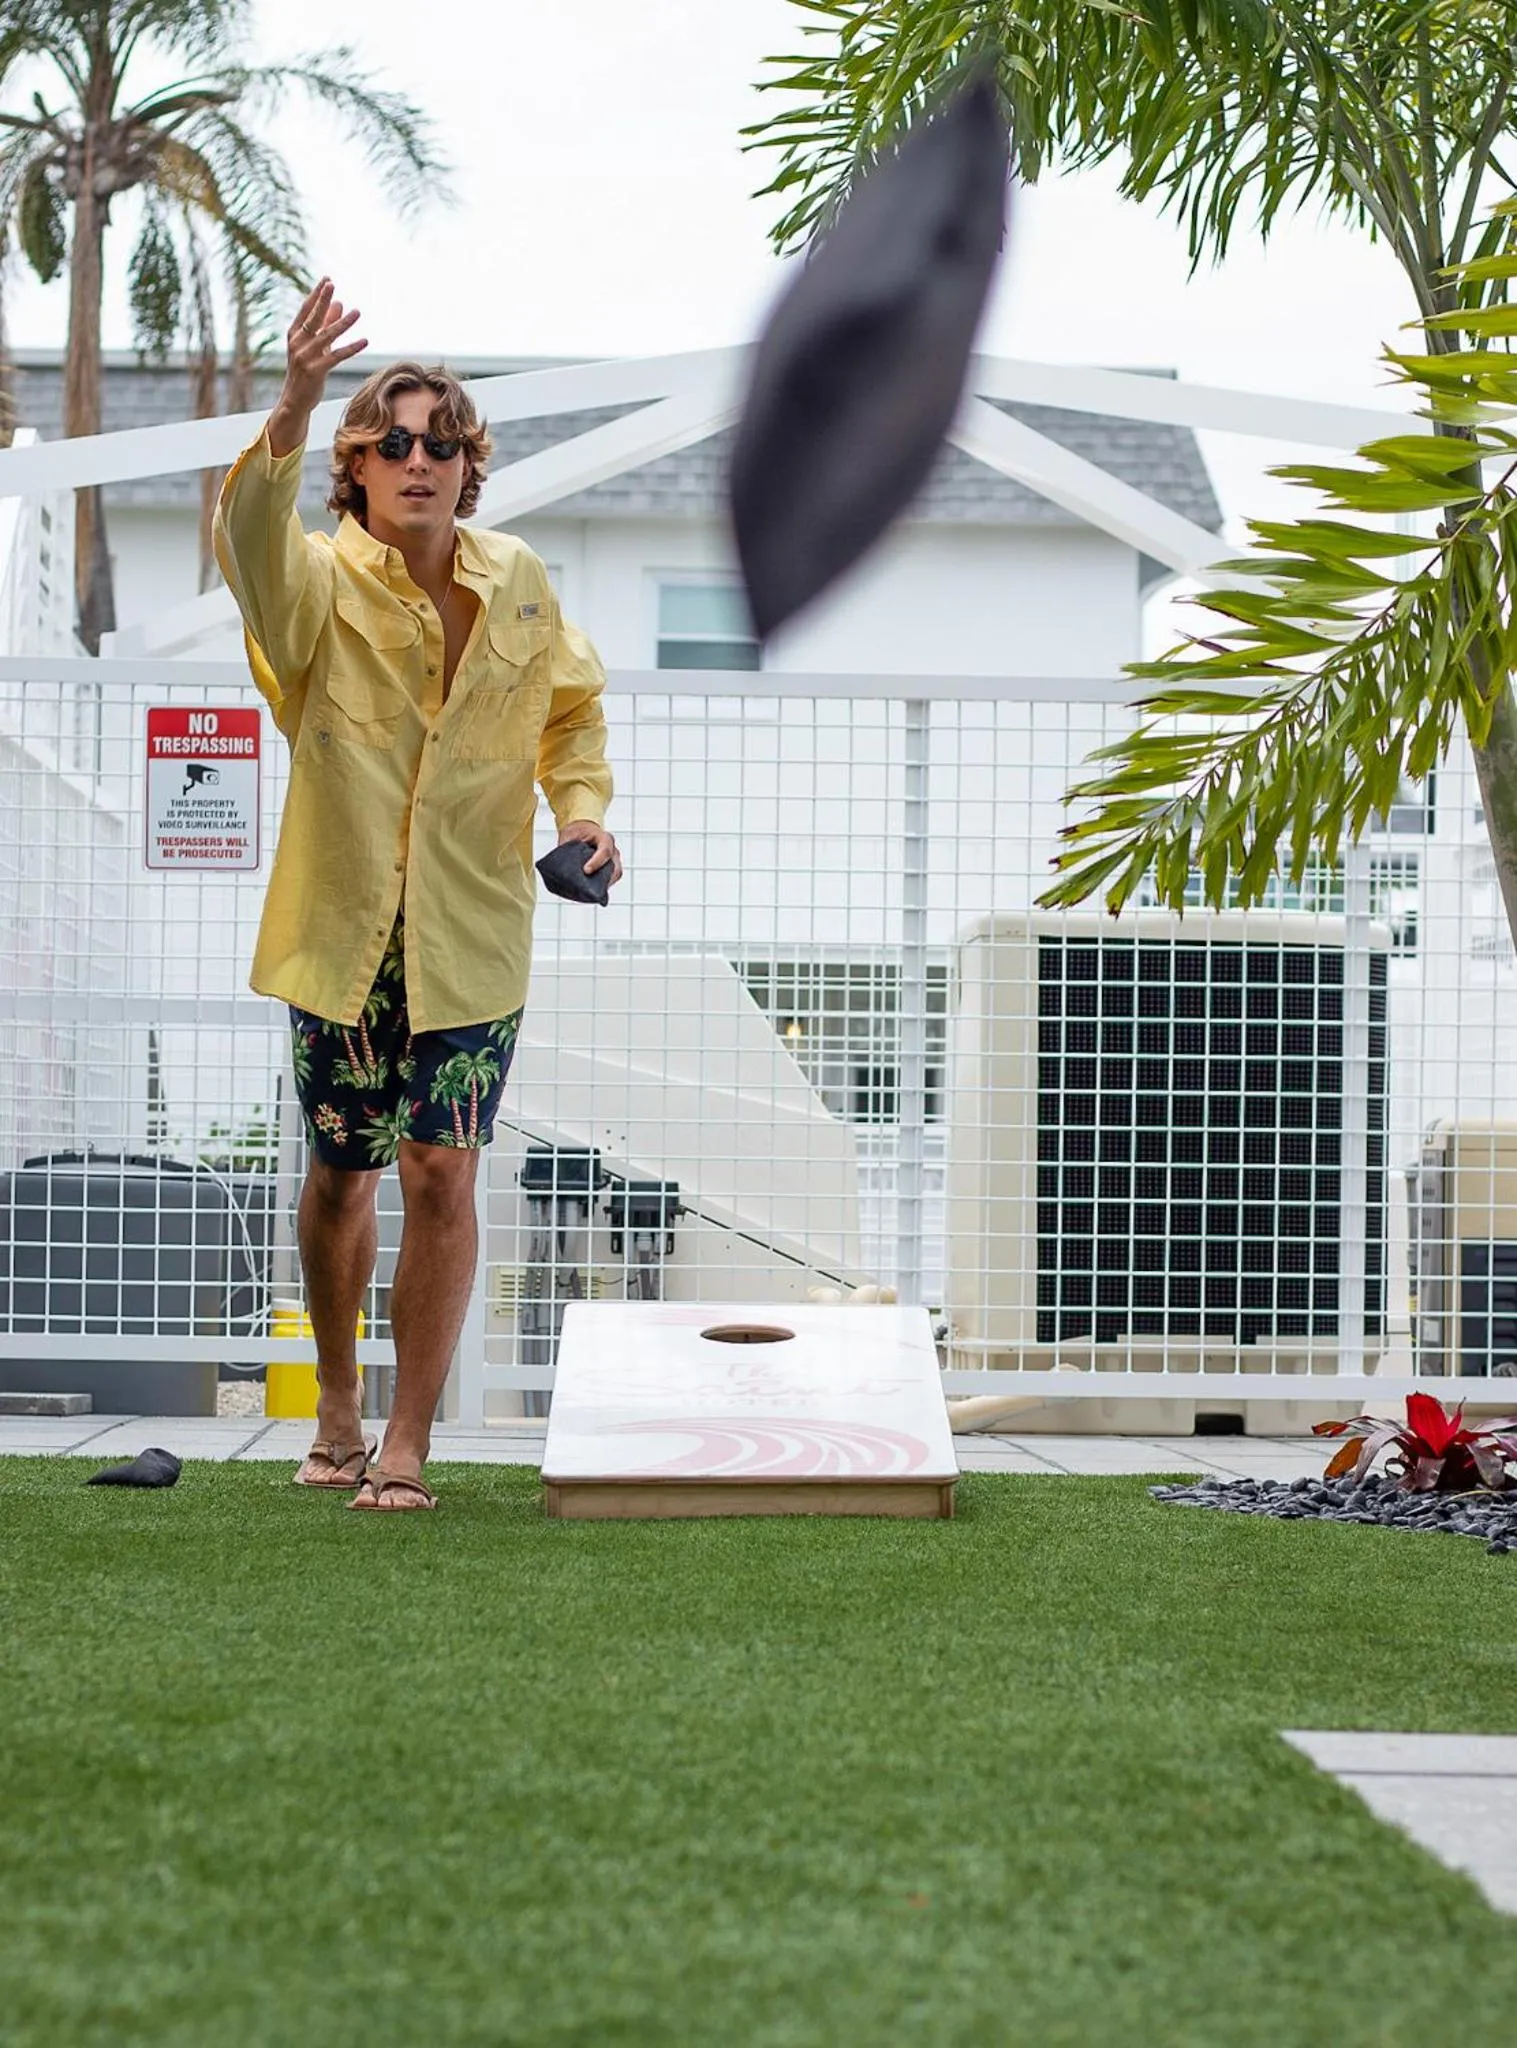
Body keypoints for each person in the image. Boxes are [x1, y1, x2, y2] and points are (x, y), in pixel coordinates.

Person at [214, 279, 620, 1511]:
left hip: (474, 934)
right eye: (391, 440)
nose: (419, 458)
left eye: (442, 440)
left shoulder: (524, 581)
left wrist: (582, 814)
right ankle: (334, 1402)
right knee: (343, 1176)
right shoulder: (313, 587)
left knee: (445, 1172)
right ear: (354, 465)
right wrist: (290, 399)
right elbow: (244, 538)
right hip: (344, 934)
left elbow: (570, 711)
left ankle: (405, 1441)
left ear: (467, 464)